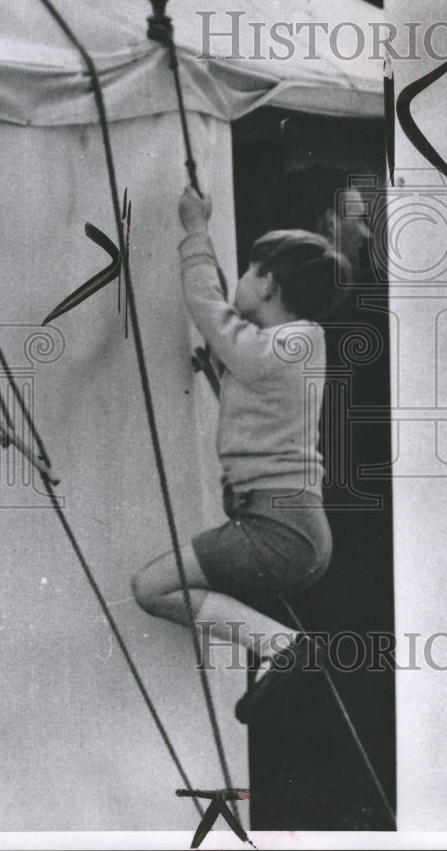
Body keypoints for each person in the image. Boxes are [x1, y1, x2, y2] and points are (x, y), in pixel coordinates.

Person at [131, 186, 350, 722]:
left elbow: (211, 309)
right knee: (159, 583)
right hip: (293, 529)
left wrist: (195, 232)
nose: (241, 283)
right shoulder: (296, 345)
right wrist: (220, 376)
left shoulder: (278, 346)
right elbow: (262, 409)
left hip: (280, 530)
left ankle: (280, 646)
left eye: (250, 272)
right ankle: (276, 645)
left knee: (151, 586)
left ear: (270, 284)